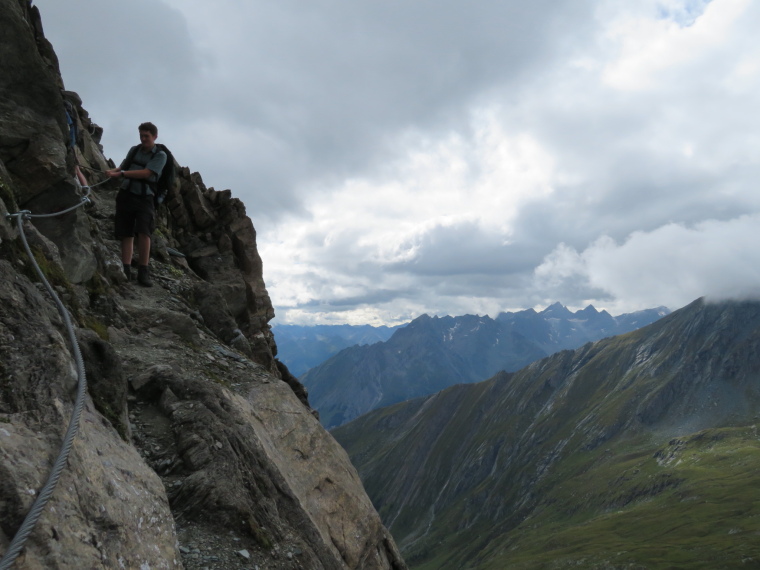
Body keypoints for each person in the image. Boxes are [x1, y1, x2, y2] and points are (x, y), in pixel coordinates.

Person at [106, 122, 167, 287]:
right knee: (126, 232)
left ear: (155, 136)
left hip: (145, 197)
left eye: (146, 136)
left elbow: (147, 173)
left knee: (144, 233)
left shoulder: (160, 155)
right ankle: (126, 269)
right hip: (126, 194)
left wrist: (122, 173)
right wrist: (114, 172)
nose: (143, 139)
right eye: (141, 135)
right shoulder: (134, 150)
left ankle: (143, 271)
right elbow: (124, 165)